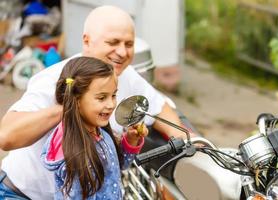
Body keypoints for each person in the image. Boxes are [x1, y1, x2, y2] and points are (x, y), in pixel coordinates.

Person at [0, 5, 185, 199]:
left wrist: (187, 139)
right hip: (20, 193)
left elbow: (159, 105)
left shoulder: (124, 74)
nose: (122, 52)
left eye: (129, 44)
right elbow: (6, 137)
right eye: (113, 42)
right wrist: (72, 106)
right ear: (87, 41)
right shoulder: (54, 79)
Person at [41, 56, 148, 199]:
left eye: (113, 95)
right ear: (77, 99)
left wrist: (131, 140)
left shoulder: (99, 130)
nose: (111, 104)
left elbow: (118, 166)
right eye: (102, 98)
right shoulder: (75, 154)